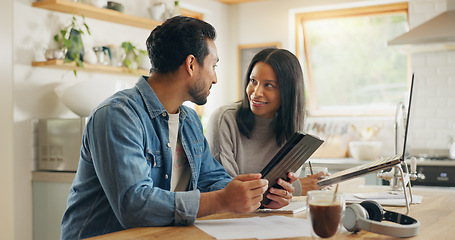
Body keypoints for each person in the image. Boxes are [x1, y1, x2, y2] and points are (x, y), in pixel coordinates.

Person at [60, 16, 291, 240]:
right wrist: (222, 200)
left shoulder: (189, 120)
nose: (215, 78)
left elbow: (212, 180)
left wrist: (259, 196)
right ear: (191, 64)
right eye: (213, 66)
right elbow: (134, 205)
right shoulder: (117, 115)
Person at [206, 48, 327, 197]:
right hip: (231, 217)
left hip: (270, 217)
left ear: (288, 92)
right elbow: (225, 191)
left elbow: (281, 189)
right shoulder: (224, 119)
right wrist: (297, 187)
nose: (256, 93)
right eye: (253, 81)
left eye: (268, 85)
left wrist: (285, 194)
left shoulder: (293, 126)